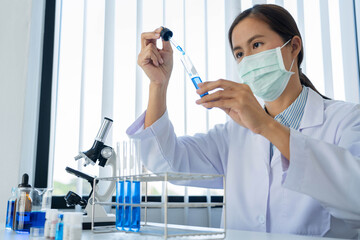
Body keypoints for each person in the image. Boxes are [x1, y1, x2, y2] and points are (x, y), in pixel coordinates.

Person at [127, 4, 360, 238]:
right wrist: (158, 84)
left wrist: (266, 126)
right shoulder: (232, 135)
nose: (247, 60)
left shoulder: (348, 120)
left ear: (294, 47)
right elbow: (167, 163)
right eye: (239, 54)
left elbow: (355, 198)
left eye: (256, 44)